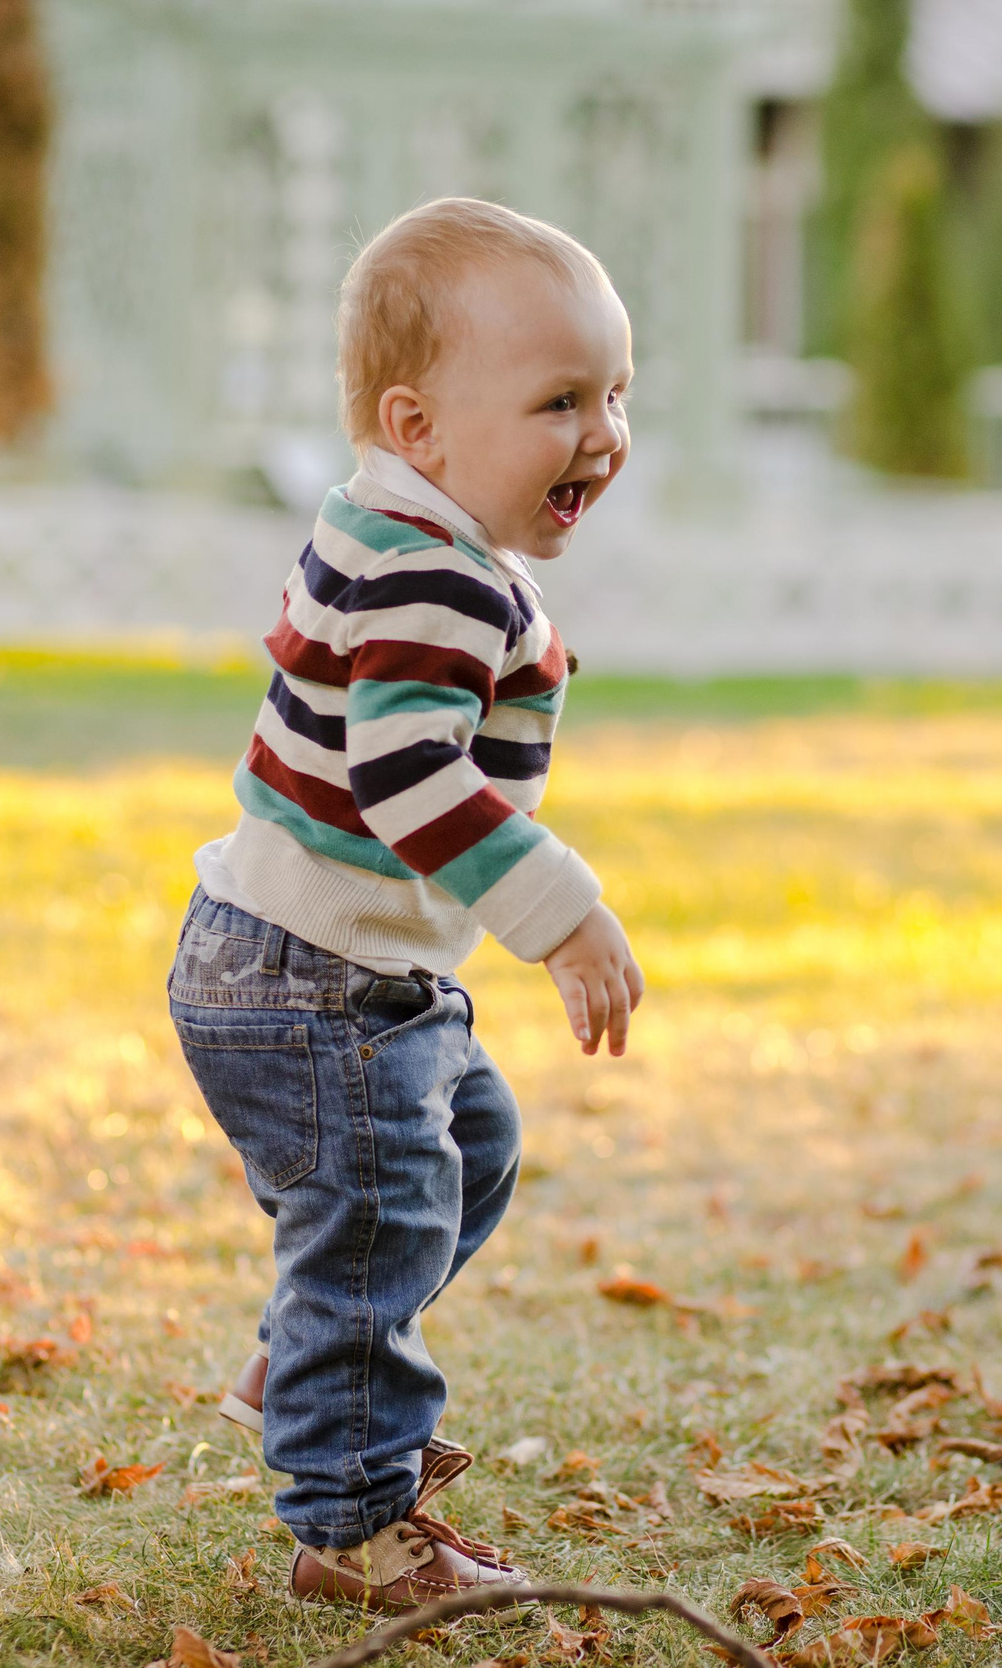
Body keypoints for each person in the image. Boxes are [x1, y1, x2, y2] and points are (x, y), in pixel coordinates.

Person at [168, 197, 648, 1612]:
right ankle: (353, 1523)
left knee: (466, 1156)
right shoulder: (434, 567)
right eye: (559, 402)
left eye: (617, 393)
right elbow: (404, 775)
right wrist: (561, 909)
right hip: (315, 980)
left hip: (317, 964)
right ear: (418, 425)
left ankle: (307, 1367)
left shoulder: (399, 518)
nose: (603, 434)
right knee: (383, 1213)